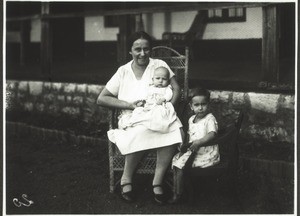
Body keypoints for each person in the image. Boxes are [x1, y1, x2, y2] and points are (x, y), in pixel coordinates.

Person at [97, 31, 183, 204]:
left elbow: (176, 89)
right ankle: (126, 179)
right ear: (130, 51)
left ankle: (157, 181)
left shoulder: (159, 64)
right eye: (137, 49)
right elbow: (102, 98)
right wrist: (129, 105)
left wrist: (169, 108)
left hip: (159, 112)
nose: (142, 53)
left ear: (150, 50)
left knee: (172, 129)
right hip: (133, 115)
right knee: (143, 129)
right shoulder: (123, 71)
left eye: (146, 49)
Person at [169, 88, 220, 204]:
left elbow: (212, 134)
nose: (200, 108)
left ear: (208, 105)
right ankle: (176, 189)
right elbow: (189, 136)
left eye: (203, 104)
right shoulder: (192, 119)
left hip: (206, 153)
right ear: (191, 106)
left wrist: (199, 142)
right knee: (176, 160)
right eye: (196, 105)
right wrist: (184, 146)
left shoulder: (209, 119)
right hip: (193, 150)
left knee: (180, 164)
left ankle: (178, 194)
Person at [117, 66, 178, 133]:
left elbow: (169, 95)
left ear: (168, 81)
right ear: (153, 79)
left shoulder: (167, 88)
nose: (160, 81)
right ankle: (134, 122)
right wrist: (143, 101)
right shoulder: (151, 88)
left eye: (164, 79)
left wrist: (163, 99)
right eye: (158, 78)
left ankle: (153, 126)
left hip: (159, 106)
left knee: (157, 114)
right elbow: (146, 96)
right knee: (138, 111)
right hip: (149, 106)